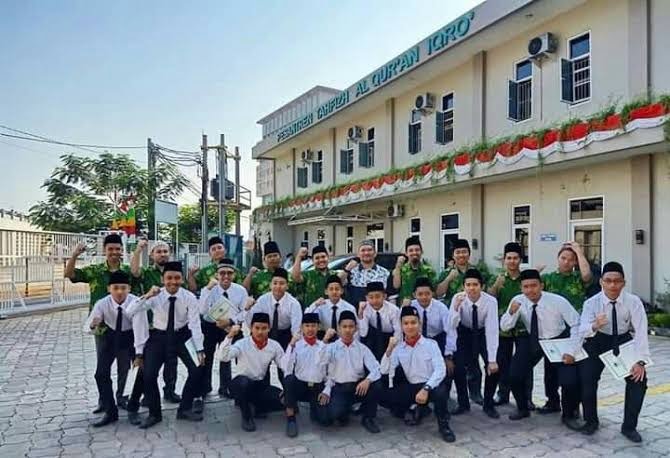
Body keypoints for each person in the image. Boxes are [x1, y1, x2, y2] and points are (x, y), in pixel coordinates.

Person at [126, 261, 205, 429]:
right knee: (149, 374)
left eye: (177, 278)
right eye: (169, 278)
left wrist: (199, 349)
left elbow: (195, 324)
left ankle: (185, 408)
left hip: (182, 336)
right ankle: (154, 413)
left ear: (182, 279)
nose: (173, 282)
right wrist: (147, 295)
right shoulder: (156, 295)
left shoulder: (189, 297)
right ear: (163, 279)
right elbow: (130, 311)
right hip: (159, 337)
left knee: (197, 368)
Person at [578, 262, 649, 442]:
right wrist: (595, 325)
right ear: (601, 282)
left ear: (624, 283)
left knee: (638, 380)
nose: (612, 285)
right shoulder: (591, 303)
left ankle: (629, 427)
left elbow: (641, 331)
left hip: (623, 339)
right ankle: (591, 421)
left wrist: (640, 361)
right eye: (608, 281)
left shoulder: (633, 302)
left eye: (617, 281)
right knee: (587, 378)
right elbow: (582, 330)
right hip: (597, 339)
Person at [500, 269, 581, 425]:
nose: (530, 290)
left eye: (534, 286)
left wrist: (572, 350)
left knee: (568, 379)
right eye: (526, 287)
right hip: (533, 339)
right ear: (521, 288)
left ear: (541, 286)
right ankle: (522, 408)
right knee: (515, 375)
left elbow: (576, 323)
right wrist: (510, 313)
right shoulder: (518, 300)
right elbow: (504, 327)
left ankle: (567, 413)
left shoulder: (557, 301)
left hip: (558, 338)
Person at [66, 233, 134, 413]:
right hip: (102, 328)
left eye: (118, 249)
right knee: (103, 368)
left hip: (125, 327)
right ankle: (104, 400)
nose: (114, 252)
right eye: (111, 249)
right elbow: (69, 274)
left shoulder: (128, 272)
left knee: (124, 365)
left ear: (122, 250)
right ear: (104, 250)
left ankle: (121, 396)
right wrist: (75, 255)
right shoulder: (95, 271)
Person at [381, 307, 455, 443]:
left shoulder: (431, 345)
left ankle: (444, 425)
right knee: (384, 395)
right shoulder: (398, 348)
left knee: (441, 392)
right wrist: (389, 349)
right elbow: (384, 370)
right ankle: (415, 409)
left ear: (419, 324)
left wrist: (426, 389)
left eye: (413, 322)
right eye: (406, 323)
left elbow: (440, 370)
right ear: (401, 326)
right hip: (412, 387)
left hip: (430, 386)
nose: (410, 327)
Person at [84, 271, 147, 427]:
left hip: (132, 336)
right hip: (111, 336)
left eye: (123, 288)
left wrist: (139, 355)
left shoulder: (136, 302)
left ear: (129, 289)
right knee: (100, 374)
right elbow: (88, 325)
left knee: (142, 372)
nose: (119, 292)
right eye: (115, 288)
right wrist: (93, 324)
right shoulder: (102, 303)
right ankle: (110, 411)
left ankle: (133, 407)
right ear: (109, 289)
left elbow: (140, 330)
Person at [435, 238, 488, 405]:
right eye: (458, 252)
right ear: (453, 255)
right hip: (455, 324)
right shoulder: (446, 272)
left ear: (469, 254)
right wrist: (449, 278)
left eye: (464, 251)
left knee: (475, 360)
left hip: (475, 322)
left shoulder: (478, 271)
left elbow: (486, 292)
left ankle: (476, 392)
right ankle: (454, 396)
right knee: (457, 360)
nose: (461, 255)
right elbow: (438, 293)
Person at [130, 239, 180, 403]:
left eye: (165, 251)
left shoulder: (176, 272)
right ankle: (147, 394)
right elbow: (134, 272)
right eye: (158, 251)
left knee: (171, 361)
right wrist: (138, 250)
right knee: (149, 363)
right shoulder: (146, 273)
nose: (162, 254)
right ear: (152, 255)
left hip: (172, 325)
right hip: (151, 326)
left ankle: (170, 391)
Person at [215, 313, 285, 432]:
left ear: (269, 328)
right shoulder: (242, 344)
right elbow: (223, 357)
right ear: (251, 328)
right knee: (243, 383)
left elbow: (284, 366)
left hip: (259, 385)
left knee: (283, 401)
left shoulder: (274, 346)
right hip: (241, 384)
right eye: (257, 328)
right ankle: (246, 416)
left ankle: (255, 405)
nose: (260, 332)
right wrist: (230, 336)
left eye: (264, 328)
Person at [318, 310, 382, 434]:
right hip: (339, 388)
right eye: (344, 326)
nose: (348, 330)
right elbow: (321, 361)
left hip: (358, 387)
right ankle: (346, 409)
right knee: (332, 416)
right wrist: (325, 341)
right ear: (338, 328)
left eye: (351, 326)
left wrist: (368, 380)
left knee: (376, 384)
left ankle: (368, 417)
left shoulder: (362, 348)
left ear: (356, 328)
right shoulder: (331, 347)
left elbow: (376, 368)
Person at [487, 242, 533, 409]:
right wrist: (496, 287)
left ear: (520, 260)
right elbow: (489, 299)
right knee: (502, 362)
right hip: (503, 329)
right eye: (509, 258)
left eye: (515, 258)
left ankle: (527, 398)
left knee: (525, 364)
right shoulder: (497, 278)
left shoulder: (526, 279)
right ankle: (503, 393)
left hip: (524, 328)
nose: (512, 261)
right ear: (504, 260)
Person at [449, 269, 500, 418]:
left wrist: (492, 359)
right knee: (459, 368)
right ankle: (463, 403)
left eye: (475, 285)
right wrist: (456, 308)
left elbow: (492, 329)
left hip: (483, 332)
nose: (471, 288)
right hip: (464, 332)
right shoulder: (457, 298)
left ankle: (488, 404)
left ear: (482, 286)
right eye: (468, 285)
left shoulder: (490, 301)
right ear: (463, 286)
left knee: (493, 368)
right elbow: (451, 325)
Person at [198, 258, 250, 400]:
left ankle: (225, 387)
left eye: (229, 273)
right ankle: (205, 386)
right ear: (217, 274)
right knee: (207, 357)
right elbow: (202, 310)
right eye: (222, 273)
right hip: (210, 327)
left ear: (234, 274)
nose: (226, 276)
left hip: (231, 326)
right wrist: (207, 289)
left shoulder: (240, 290)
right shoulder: (209, 289)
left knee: (226, 356)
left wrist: (230, 321)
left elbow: (245, 312)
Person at [281, 313, 334, 437]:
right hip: (301, 386)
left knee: (324, 420)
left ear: (318, 327)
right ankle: (291, 418)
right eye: (307, 326)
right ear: (302, 327)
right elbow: (285, 366)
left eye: (313, 326)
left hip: (317, 387)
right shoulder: (296, 345)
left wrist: (327, 390)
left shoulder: (324, 346)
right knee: (289, 379)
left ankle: (314, 409)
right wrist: (291, 344)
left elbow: (331, 371)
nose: (310, 329)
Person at [246, 267, 302, 384]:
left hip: (285, 334)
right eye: (275, 283)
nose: (278, 286)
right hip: (266, 333)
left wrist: (292, 345)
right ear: (270, 285)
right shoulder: (263, 300)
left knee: (285, 367)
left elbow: (296, 328)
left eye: (282, 283)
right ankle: (262, 390)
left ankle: (287, 391)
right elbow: (252, 321)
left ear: (287, 286)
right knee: (261, 365)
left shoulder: (293, 303)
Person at [408, 277, 456, 375]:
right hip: (417, 339)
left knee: (450, 369)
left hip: (438, 338)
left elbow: (450, 331)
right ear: (414, 295)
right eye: (420, 294)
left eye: (427, 294)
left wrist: (448, 356)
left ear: (432, 294)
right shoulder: (410, 307)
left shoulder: (441, 308)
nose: (424, 297)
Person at [542, 241, 593, 312]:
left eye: (571, 260)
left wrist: (578, 251)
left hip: (575, 316)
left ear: (575, 262)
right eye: (563, 258)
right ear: (558, 258)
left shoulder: (578, 277)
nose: (566, 262)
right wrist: (534, 271)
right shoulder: (547, 278)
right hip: (553, 316)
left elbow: (586, 275)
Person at [357, 282, 402, 362]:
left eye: (378, 297)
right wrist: (360, 314)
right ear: (366, 298)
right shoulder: (365, 308)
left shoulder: (393, 310)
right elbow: (363, 333)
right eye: (371, 297)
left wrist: (395, 349)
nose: (374, 300)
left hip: (389, 337)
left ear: (384, 296)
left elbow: (398, 332)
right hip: (373, 337)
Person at [304, 275, 356, 340]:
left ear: (342, 291)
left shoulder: (350, 308)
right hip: (324, 340)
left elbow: (356, 330)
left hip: (344, 340)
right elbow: (306, 319)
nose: (334, 292)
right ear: (326, 291)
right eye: (331, 289)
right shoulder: (320, 306)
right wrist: (315, 304)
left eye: (337, 289)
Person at [340, 240, 390, 306]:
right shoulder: (351, 272)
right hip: (355, 310)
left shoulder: (384, 272)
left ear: (375, 253)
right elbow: (337, 282)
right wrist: (347, 269)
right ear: (358, 254)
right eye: (363, 250)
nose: (366, 253)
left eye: (369, 250)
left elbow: (390, 296)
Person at [392, 236, 437, 304]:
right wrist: (398, 266)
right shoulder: (401, 269)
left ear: (421, 252)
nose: (414, 253)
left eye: (417, 250)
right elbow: (396, 286)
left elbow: (434, 292)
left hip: (424, 306)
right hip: (406, 306)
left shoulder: (429, 270)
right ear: (406, 253)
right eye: (411, 250)